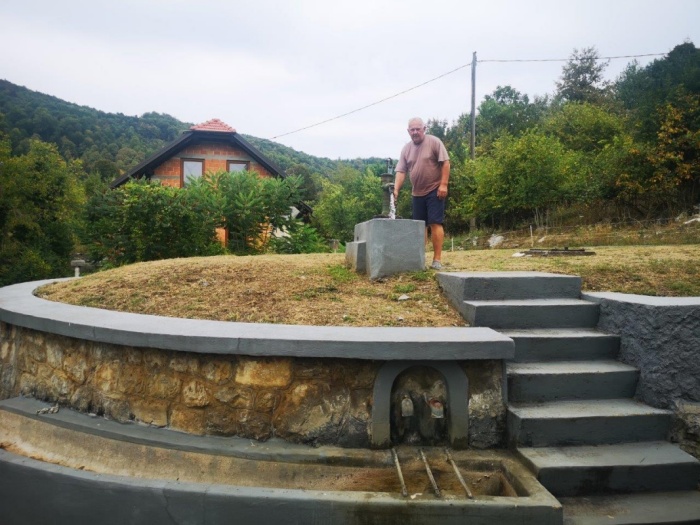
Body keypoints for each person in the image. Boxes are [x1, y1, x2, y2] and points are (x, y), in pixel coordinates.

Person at [393, 117, 450, 270]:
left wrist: (443, 185)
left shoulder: (434, 142)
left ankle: (437, 260)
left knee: (435, 223)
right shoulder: (406, 149)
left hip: (434, 189)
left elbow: (445, 162)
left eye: (418, 129)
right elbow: (401, 171)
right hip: (417, 193)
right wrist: (396, 189)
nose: (415, 132)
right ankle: (420, 261)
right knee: (419, 227)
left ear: (424, 128)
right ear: (408, 131)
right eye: (412, 129)